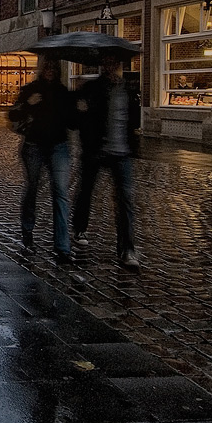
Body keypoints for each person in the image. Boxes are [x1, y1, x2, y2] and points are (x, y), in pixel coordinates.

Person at [72, 54, 141, 271]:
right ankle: (79, 228)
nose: (112, 68)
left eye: (115, 64)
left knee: (125, 199)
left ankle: (127, 249)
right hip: (96, 150)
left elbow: (133, 120)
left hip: (121, 152)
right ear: (104, 66)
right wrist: (80, 102)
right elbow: (77, 118)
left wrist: (133, 145)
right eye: (109, 64)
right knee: (86, 191)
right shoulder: (92, 88)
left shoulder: (127, 89)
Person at [8, 57, 76, 264]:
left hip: (58, 146)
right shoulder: (31, 90)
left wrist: (79, 109)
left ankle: (62, 246)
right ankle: (27, 229)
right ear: (42, 69)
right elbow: (13, 115)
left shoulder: (63, 92)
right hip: (34, 146)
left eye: (53, 67)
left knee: (60, 193)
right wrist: (28, 105)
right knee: (32, 188)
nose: (50, 70)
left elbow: (73, 123)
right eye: (47, 67)